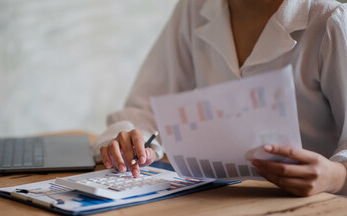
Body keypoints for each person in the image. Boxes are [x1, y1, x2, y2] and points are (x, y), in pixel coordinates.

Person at [93, 0, 347, 196]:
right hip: (215, 204)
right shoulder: (196, 7)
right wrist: (130, 140)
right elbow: (145, 109)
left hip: (307, 213)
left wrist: (335, 177)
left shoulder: (331, 21)